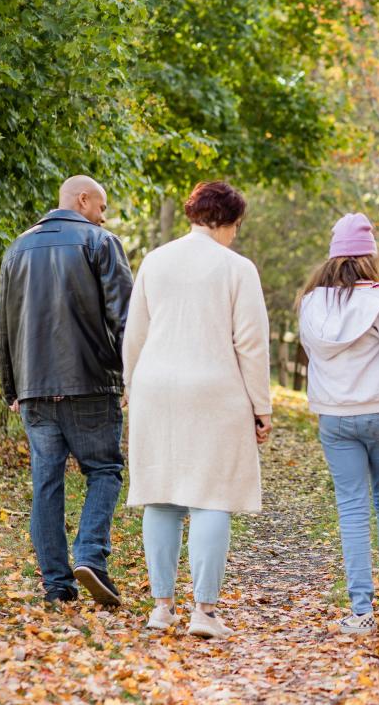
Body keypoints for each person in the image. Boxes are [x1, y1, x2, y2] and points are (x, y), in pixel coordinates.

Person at [123, 181, 273, 640]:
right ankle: (204, 612)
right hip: (214, 389)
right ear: (227, 221)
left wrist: (131, 387)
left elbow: (135, 334)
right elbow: (250, 343)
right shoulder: (237, 268)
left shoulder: (155, 260)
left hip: (156, 388)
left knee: (162, 495)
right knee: (212, 498)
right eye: (236, 226)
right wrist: (261, 407)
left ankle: (162, 607)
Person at [0, 175, 133, 606]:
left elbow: (4, 325)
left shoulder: (17, 248)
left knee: (46, 484)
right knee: (105, 471)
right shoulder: (100, 242)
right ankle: (90, 554)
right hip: (90, 382)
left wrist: (11, 387)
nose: (104, 215)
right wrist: (133, 373)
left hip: (34, 388)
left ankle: (58, 586)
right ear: (83, 199)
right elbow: (125, 317)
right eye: (102, 205)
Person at [297, 213, 379, 635]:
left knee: (351, 507)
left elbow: (311, 353)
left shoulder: (312, 302)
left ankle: (360, 610)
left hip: (335, 415)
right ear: (370, 257)